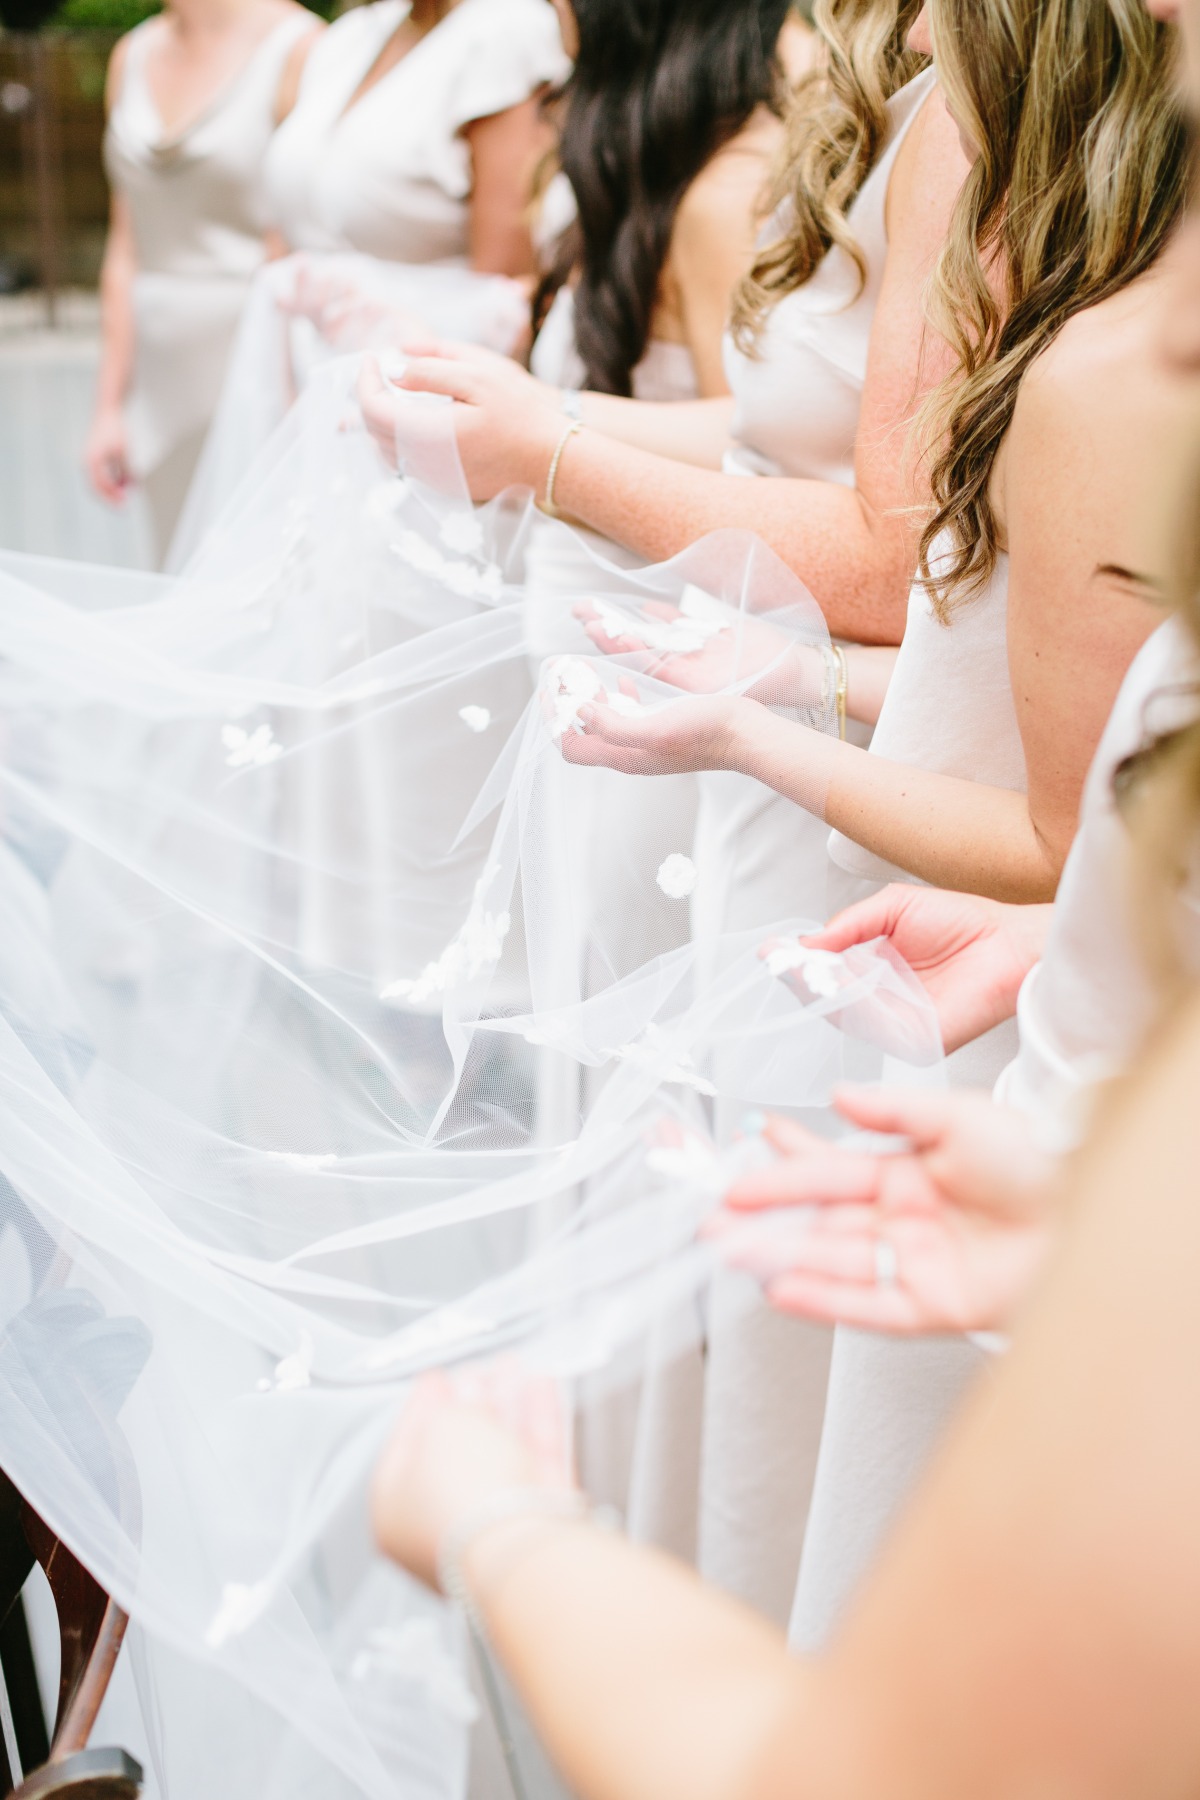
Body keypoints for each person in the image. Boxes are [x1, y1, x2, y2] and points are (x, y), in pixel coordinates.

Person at [87, 0, 321, 562]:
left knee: (260, 572)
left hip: (257, 361)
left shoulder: (301, 47)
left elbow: (297, 243)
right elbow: (126, 245)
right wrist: (109, 406)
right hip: (160, 380)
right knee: (176, 564)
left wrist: (288, 401)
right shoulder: (132, 53)